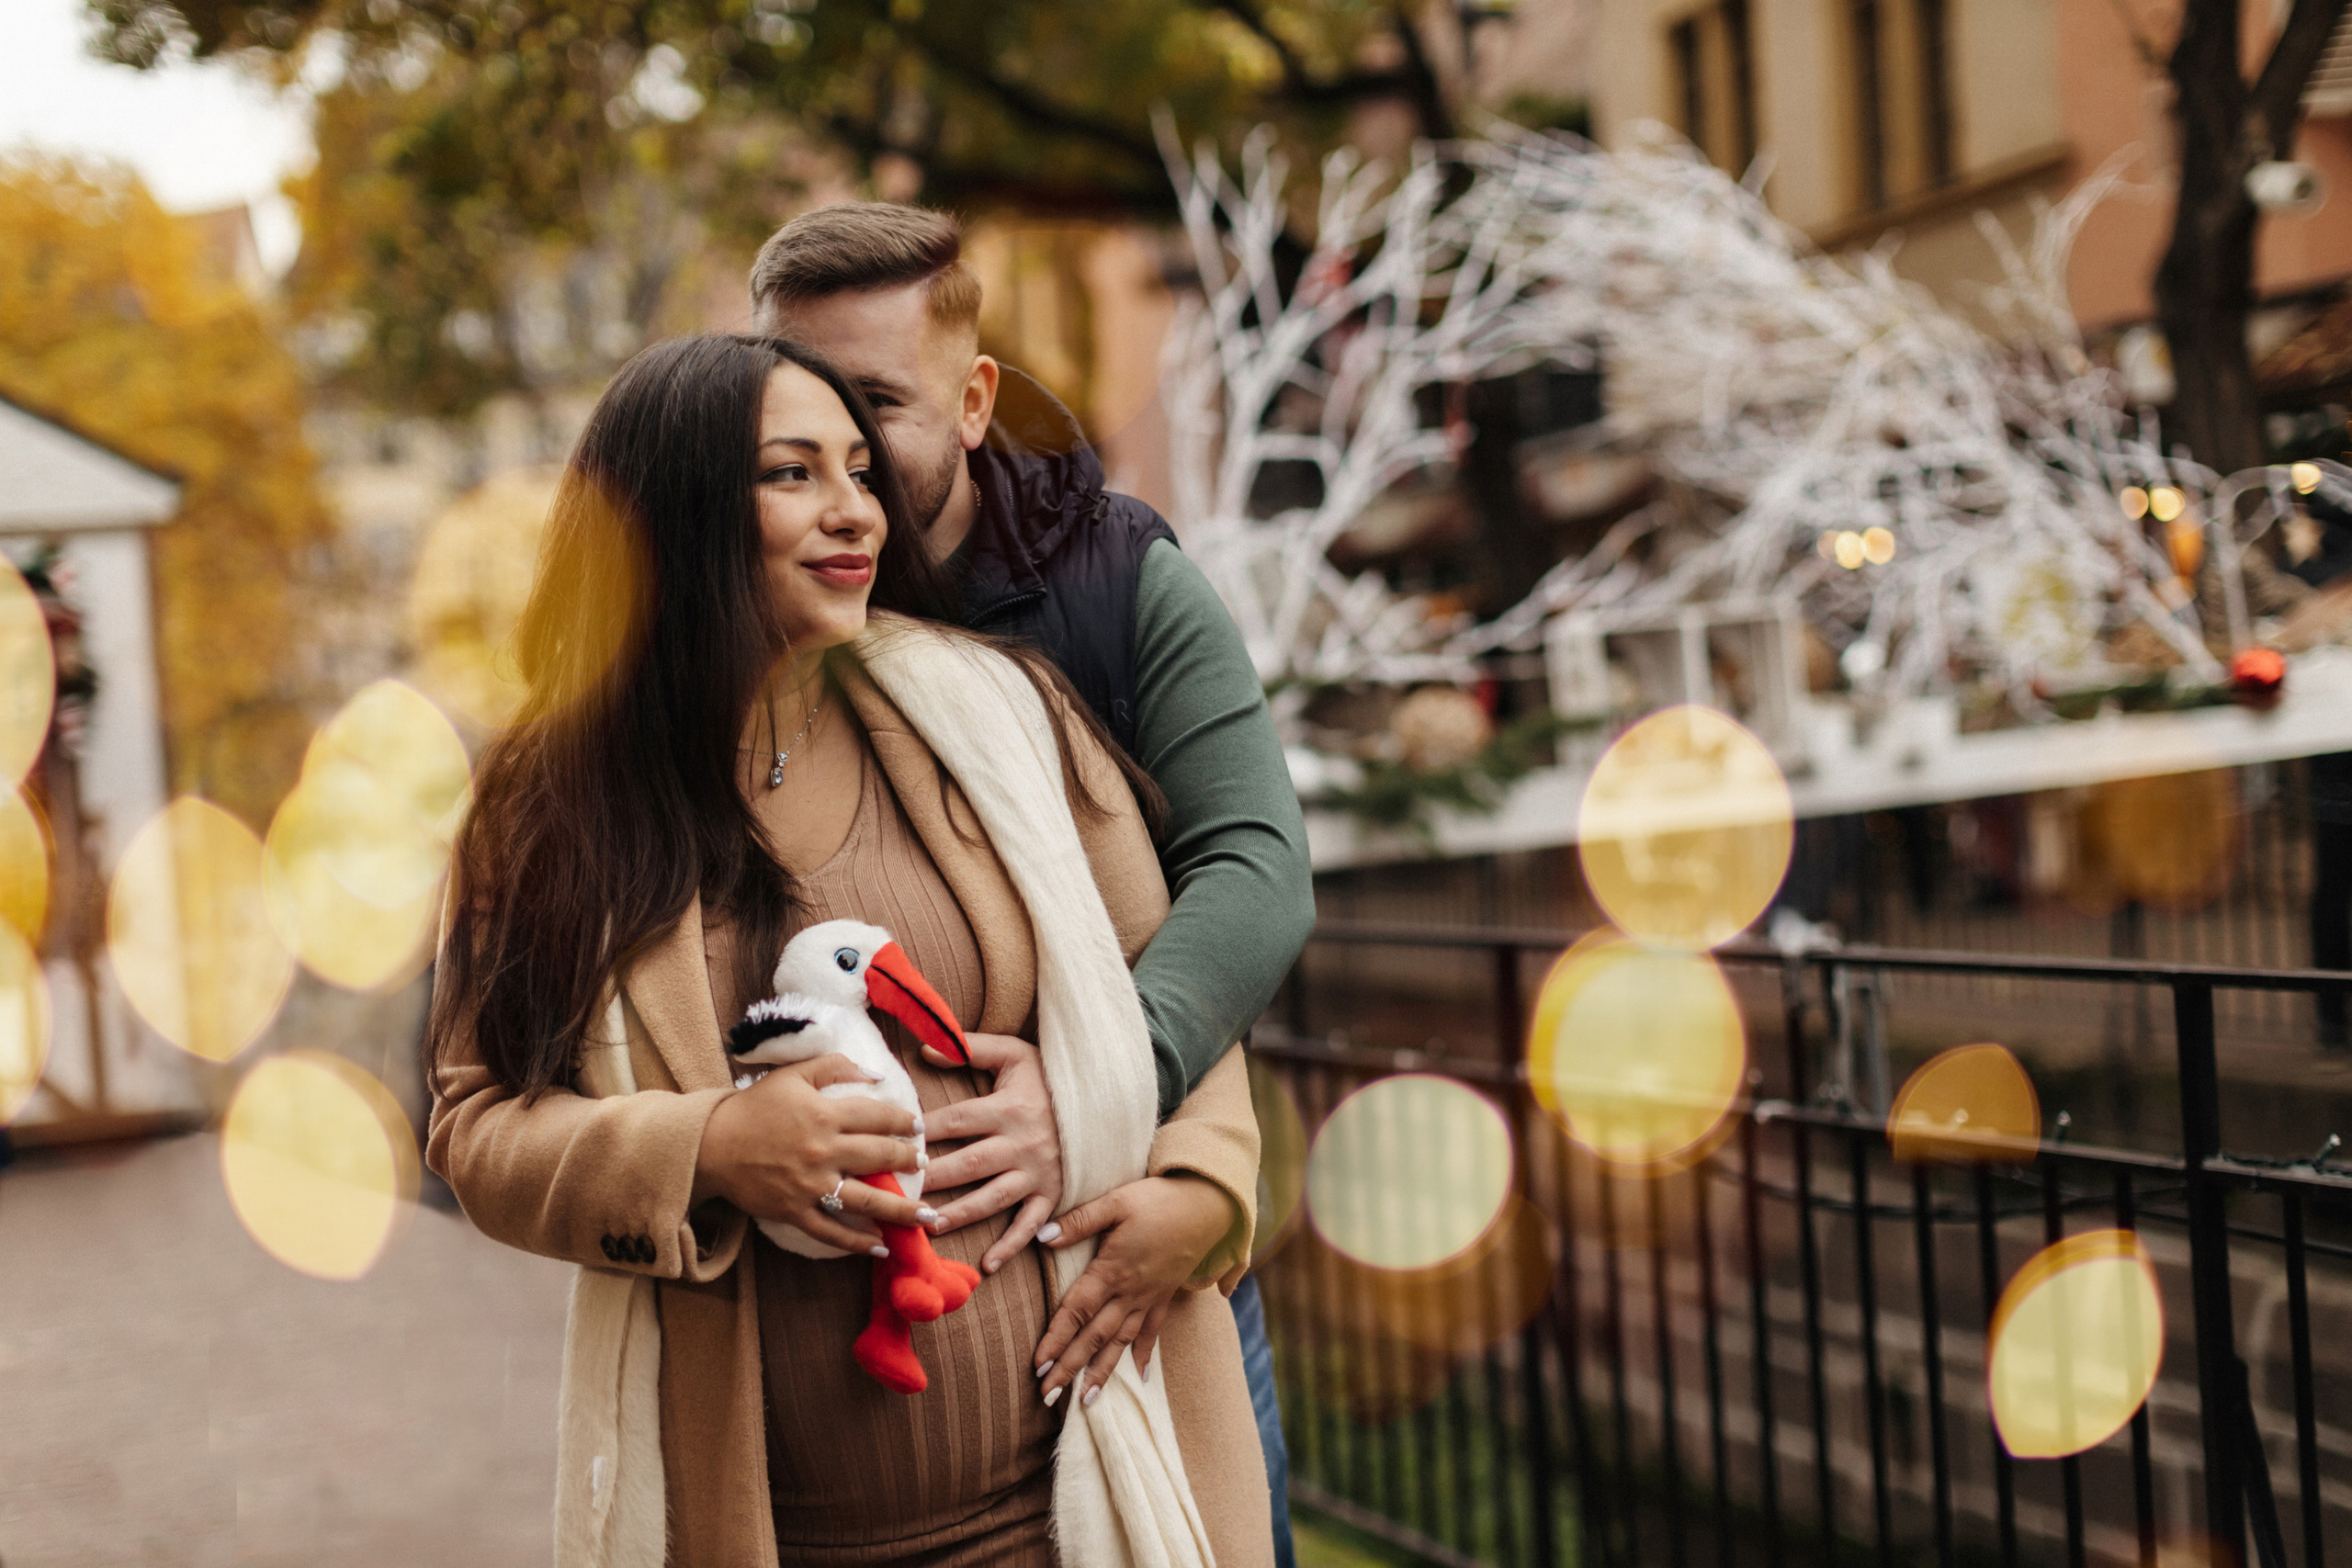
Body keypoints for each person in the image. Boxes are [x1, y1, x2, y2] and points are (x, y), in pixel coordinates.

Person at [428, 333, 1271, 1566]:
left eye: (861, 472)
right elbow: (474, 1124)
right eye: (792, 474)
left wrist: (1200, 1186)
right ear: (671, 513)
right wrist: (709, 1149)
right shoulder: (550, 813)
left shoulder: (1004, 715)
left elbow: (1172, 978)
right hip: (785, 1534)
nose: (853, 511)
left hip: (1084, 1494)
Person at [748, 203, 1313, 1566]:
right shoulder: (739, 612)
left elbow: (1251, 867)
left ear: (976, 397)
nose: (848, 457)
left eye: (878, 402)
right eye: (807, 409)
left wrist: (1101, 1099)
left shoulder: (1118, 577)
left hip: (1130, 1246)